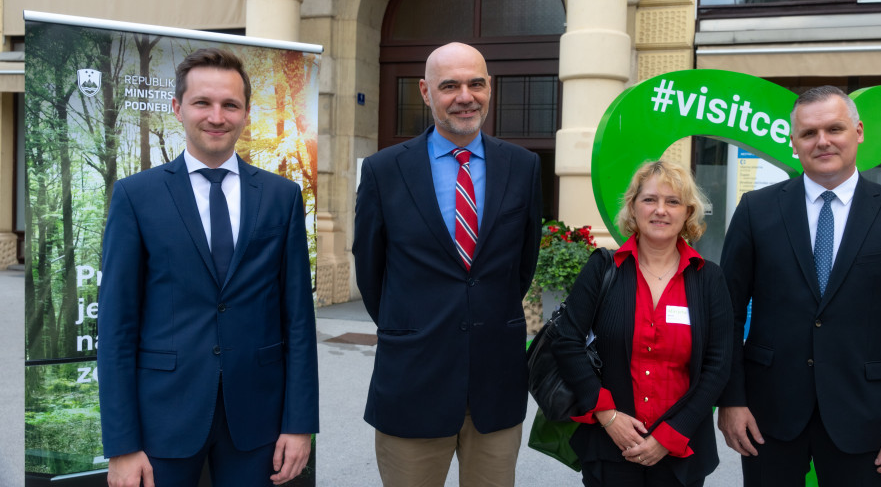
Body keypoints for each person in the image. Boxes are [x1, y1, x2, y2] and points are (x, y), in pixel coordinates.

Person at [97, 48, 319, 487]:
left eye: (230, 105)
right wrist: (122, 445)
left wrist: (300, 424)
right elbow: (117, 327)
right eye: (203, 103)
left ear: (245, 113)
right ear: (178, 108)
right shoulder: (136, 196)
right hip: (163, 419)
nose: (216, 116)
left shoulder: (281, 197)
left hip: (258, 420)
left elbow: (298, 320)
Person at [717, 85, 881, 486]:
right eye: (808, 133)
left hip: (867, 418)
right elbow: (728, 315)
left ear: (858, 131)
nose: (822, 141)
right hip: (768, 415)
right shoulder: (756, 211)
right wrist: (732, 400)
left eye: (834, 129)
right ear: (793, 142)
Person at [352, 42, 542, 486]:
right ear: (425, 91)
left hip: (496, 384)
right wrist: (413, 326)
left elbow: (522, 265)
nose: (465, 96)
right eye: (449, 85)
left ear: (489, 88)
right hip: (412, 381)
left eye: (476, 84)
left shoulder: (523, 166)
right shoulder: (384, 171)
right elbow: (371, 269)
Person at [552, 160, 733, 487]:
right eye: (649, 199)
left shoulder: (709, 279)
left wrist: (671, 434)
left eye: (673, 201)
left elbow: (718, 365)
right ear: (633, 208)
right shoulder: (602, 269)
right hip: (609, 448)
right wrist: (607, 415)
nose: (660, 210)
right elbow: (567, 341)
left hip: (681, 450)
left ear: (688, 213)